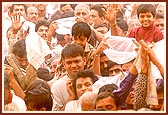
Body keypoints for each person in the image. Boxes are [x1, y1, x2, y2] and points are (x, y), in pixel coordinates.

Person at [51, 43, 86, 111]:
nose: (73, 66)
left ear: (84, 61)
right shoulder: (57, 86)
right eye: (69, 63)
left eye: (77, 61)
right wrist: (71, 98)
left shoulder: (94, 81)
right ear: (64, 64)